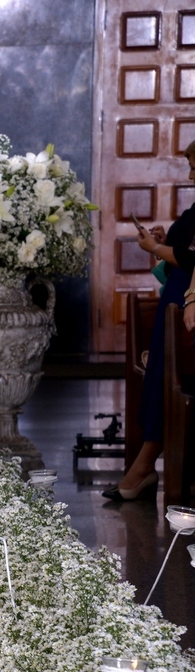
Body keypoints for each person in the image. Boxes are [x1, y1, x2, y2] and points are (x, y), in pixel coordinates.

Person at [104, 141, 195, 501]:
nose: (190, 175)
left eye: (194, 168)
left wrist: (156, 249)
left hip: (184, 304)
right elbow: (181, 253)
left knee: (163, 375)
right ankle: (144, 464)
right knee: (157, 373)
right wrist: (161, 242)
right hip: (173, 299)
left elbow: (191, 259)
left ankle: (145, 465)